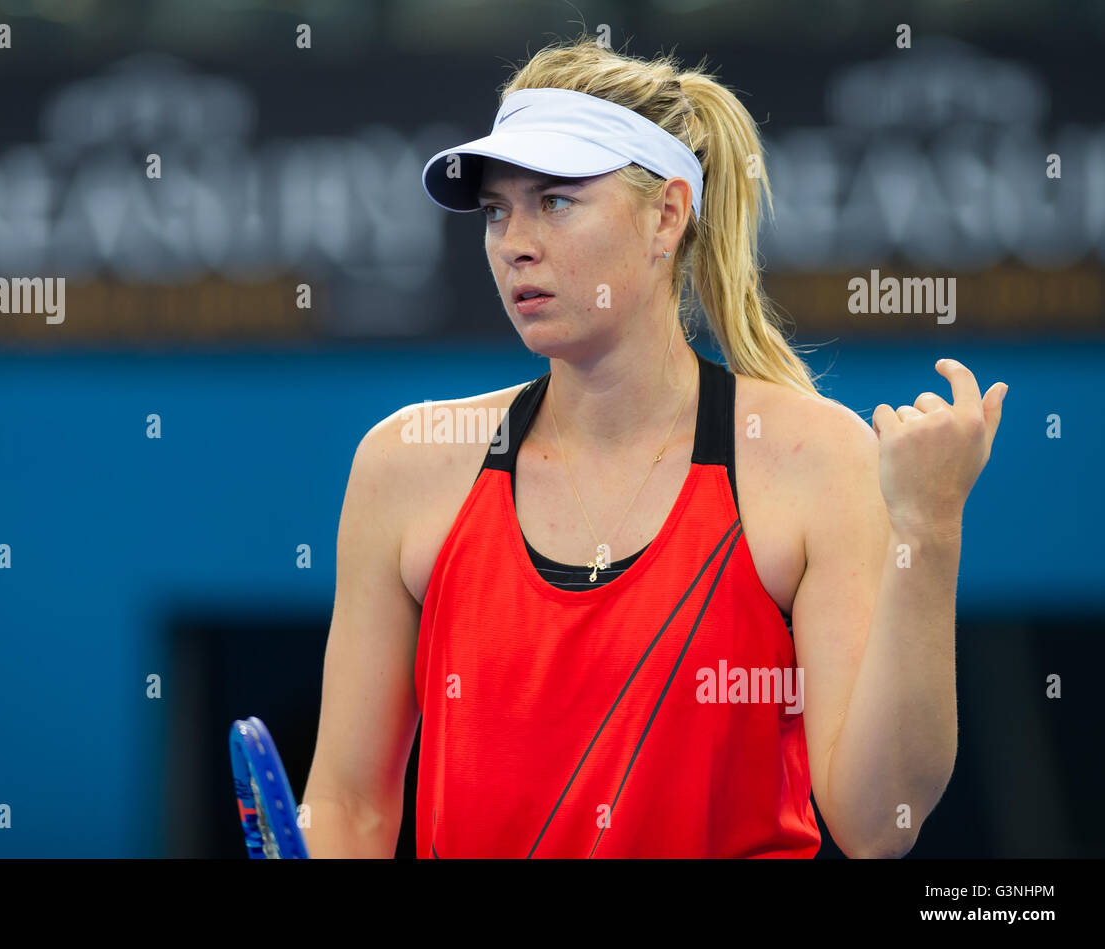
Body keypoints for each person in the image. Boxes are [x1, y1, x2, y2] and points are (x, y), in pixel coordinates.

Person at [301, 35, 1006, 858]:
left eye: (555, 201)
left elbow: (876, 819)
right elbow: (348, 806)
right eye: (498, 210)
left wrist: (929, 528)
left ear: (667, 216)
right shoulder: (405, 464)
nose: (513, 241)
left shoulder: (817, 460)